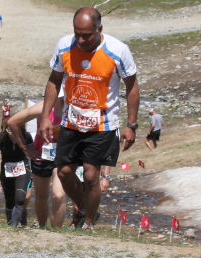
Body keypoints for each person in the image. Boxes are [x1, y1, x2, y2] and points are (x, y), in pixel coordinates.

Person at [39, 7, 139, 231]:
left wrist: (131, 125)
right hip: (71, 121)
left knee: (92, 175)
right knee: (64, 172)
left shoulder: (118, 50)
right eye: (77, 34)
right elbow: (54, 80)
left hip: (103, 124)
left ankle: (89, 223)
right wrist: (45, 116)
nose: (81, 40)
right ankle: (85, 209)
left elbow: (132, 86)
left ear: (99, 29)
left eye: (86, 35)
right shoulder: (64, 45)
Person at [8, 96, 67, 229]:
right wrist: (25, 147)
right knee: (41, 196)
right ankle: (42, 228)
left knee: (58, 195)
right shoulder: (43, 107)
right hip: (42, 156)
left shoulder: (74, 106)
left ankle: (57, 232)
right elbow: (12, 122)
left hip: (62, 158)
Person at [0, 124, 32, 227]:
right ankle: (10, 225)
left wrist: (32, 174)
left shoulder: (26, 136)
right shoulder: (0, 138)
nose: (13, 136)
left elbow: (32, 155)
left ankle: (14, 225)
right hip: (7, 170)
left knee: (20, 198)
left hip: (23, 168)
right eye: (10, 133)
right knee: (9, 201)